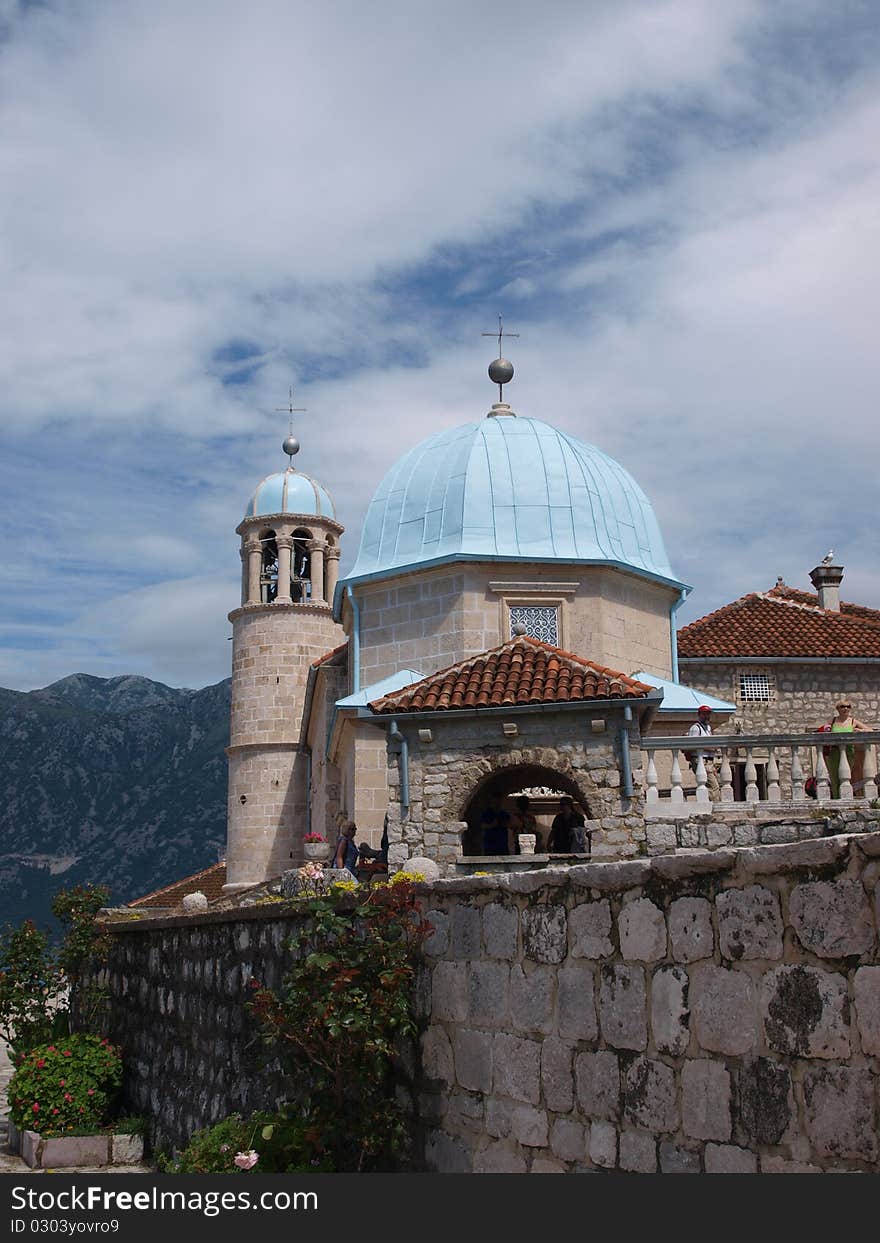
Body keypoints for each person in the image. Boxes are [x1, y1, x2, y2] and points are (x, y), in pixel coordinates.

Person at [816, 702, 872, 797]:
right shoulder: (833, 721)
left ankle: (845, 796)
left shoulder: (853, 721)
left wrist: (860, 730)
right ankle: (836, 798)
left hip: (848, 752)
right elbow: (823, 730)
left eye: (848, 706)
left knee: (845, 775)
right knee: (834, 776)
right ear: (838, 709)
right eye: (843, 706)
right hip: (834, 752)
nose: (845, 708)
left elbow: (870, 730)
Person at [686, 706, 721, 801]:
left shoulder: (708, 728)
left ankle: (710, 805)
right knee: (713, 786)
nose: (707, 716)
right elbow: (693, 745)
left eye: (708, 714)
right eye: (704, 714)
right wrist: (711, 748)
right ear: (699, 714)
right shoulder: (696, 728)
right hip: (701, 761)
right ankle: (711, 807)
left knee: (715, 785)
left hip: (709, 761)